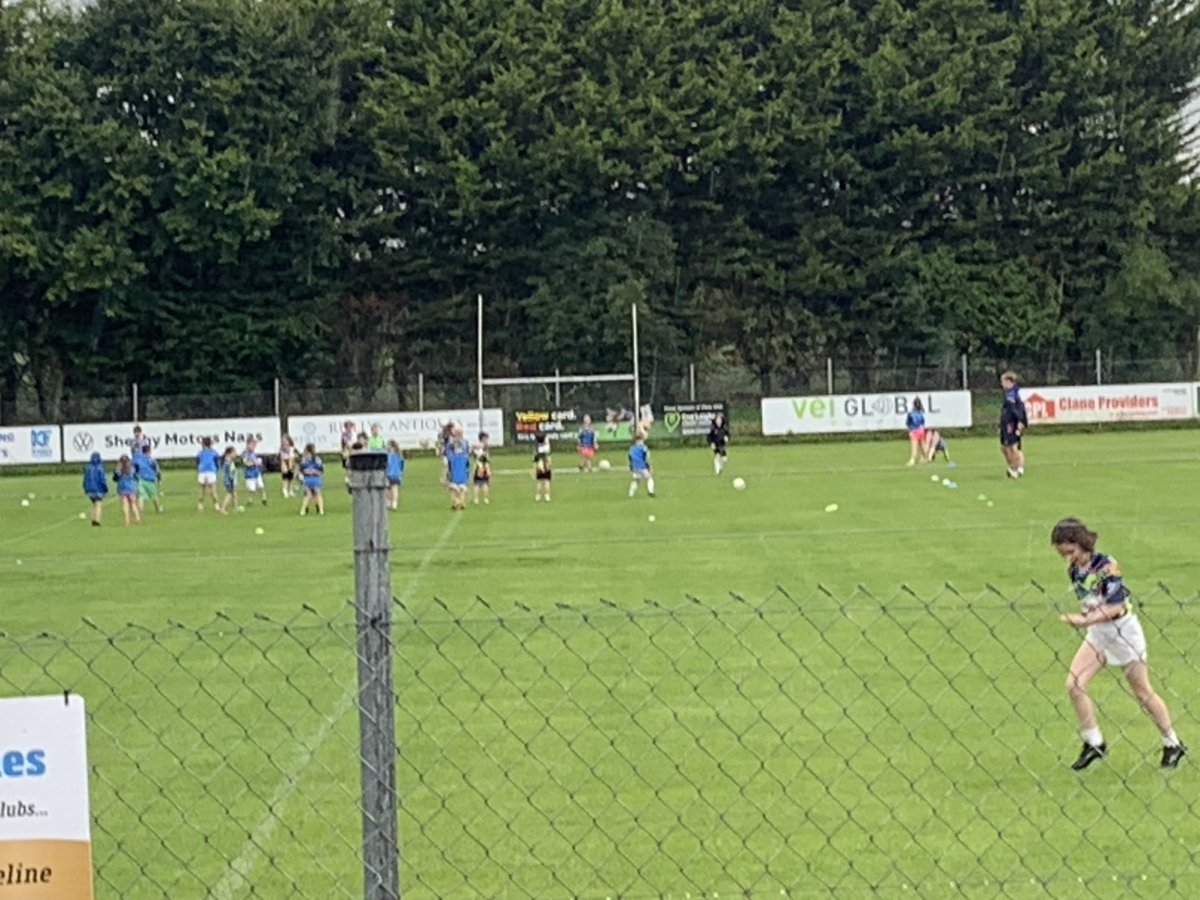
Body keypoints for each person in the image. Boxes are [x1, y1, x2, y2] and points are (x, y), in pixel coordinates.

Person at [1051, 518, 1185, 770]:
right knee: (1074, 684)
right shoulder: (1074, 569)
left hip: (1123, 632)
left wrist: (1084, 620)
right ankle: (1094, 742)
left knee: (1142, 692)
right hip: (1098, 633)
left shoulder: (1106, 565)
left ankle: (1172, 743)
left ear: (1082, 544)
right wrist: (1089, 621)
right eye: (1062, 555)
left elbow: (1116, 606)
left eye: (1070, 552)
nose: (1068, 559)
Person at [1000, 371, 1028, 478]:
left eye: (1003, 382)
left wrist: (1020, 423)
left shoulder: (1012, 394)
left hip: (1011, 424)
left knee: (1012, 447)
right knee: (1005, 447)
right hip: (1007, 424)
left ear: (1008, 382)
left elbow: (1016, 410)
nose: (1002, 385)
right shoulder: (1011, 393)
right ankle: (1015, 467)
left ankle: (1016, 468)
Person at [443, 425, 471, 511]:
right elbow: (467, 454)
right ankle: (462, 503)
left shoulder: (451, 444)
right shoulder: (465, 442)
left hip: (455, 466)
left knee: (453, 488)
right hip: (462, 466)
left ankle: (456, 503)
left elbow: (448, 454)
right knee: (461, 488)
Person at [133, 442, 163, 514]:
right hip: (150, 480)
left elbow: (136, 468)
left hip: (141, 479)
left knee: (141, 496)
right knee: (154, 495)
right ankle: (158, 508)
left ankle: (140, 511)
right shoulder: (152, 460)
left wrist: (136, 476)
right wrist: (159, 479)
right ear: (149, 451)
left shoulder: (139, 459)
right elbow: (157, 470)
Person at [113, 455, 141, 526]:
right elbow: (136, 477)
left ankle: (127, 521)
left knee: (125, 505)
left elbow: (115, 479)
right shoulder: (132, 469)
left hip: (122, 488)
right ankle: (137, 518)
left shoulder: (118, 470)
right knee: (133, 504)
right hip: (131, 488)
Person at [196, 436, 222, 513]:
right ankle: (216, 506)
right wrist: (217, 469)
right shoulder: (214, 452)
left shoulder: (200, 453)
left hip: (202, 471)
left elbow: (198, 462)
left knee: (201, 490)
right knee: (213, 490)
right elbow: (217, 462)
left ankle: (200, 506)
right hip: (211, 471)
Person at [300, 443, 326, 516]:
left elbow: (301, 469)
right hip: (316, 478)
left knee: (308, 495)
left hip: (307, 478)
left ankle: (303, 510)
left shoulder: (304, 459)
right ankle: (321, 510)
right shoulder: (317, 459)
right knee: (318, 493)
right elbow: (322, 469)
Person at [83, 451, 108, 527]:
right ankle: (96, 521)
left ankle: (93, 518)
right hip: (98, 490)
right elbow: (102, 480)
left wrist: (86, 488)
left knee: (94, 505)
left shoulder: (88, 468)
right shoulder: (100, 468)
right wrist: (105, 489)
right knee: (98, 505)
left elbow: (85, 480)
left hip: (90, 490)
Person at [628, 431, 655, 498]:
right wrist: (649, 466)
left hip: (635, 467)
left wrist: (631, 465)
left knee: (636, 480)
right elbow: (646, 458)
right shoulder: (644, 448)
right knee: (649, 478)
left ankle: (631, 494)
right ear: (642, 439)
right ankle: (651, 491)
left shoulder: (632, 448)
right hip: (642, 466)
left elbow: (630, 457)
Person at [243, 439, 267, 507]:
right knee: (252, 489)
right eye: (252, 445)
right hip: (249, 474)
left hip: (256, 472)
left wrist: (258, 462)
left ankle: (264, 497)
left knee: (261, 486)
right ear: (248, 445)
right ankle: (250, 500)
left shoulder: (253, 453)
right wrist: (254, 463)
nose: (254, 447)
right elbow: (246, 463)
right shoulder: (245, 453)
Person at [905, 398, 927, 467]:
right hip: (921, 430)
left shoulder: (911, 413)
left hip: (914, 431)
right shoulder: (921, 412)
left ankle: (912, 460)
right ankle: (924, 457)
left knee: (914, 447)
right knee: (922, 445)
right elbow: (923, 422)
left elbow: (908, 423)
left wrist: (910, 430)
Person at [473, 432, 492, 505]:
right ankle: (484, 498)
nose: (487, 440)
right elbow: (486, 458)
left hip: (481, 466)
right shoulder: (483, 447)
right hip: (481, 466)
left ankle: (477, 499)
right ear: (482, 439)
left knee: (480, 484)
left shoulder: (480, 447)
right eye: (486, 438)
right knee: (482, 483)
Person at [386, 440, 405, 511]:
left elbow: (402, 465)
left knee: (394, 489)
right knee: (387, 490)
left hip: (395, 475)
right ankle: (388, 502)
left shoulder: (398, 455)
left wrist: (400, 474)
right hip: (388, 475)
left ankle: (394, 503)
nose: (388, 447)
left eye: (389, 446)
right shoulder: (387, 455)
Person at [219, 446, 239, 514]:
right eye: (234, 452)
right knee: (229, 494)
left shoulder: (229, 461)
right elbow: (230, 473)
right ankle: (223, 509)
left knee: (234, 493)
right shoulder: (228, 462)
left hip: (230, 480)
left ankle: (235, 507)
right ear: (229, 454)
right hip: (229, 481)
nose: (236, 454)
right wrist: (232, 481)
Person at [533, 433, 552, 502]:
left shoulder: (537, 449)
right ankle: (547, 495)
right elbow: (549, 457)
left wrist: (534, 469)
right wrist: (550, 465)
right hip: (546, 464)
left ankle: (538, 495)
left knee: (539, 482)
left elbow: (535, 460)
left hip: (539, 466)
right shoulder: (547, 448)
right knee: (547, 481)